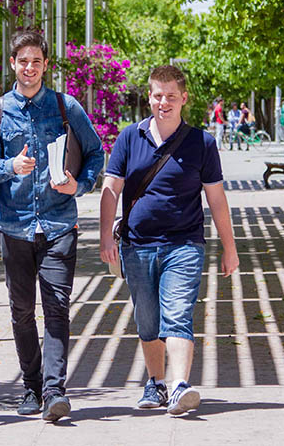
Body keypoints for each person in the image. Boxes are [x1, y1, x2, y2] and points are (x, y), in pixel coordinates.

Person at [0, 30, 104, 422]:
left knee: (57, 307)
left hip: (59, 224)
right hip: (14, 227)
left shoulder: (66, 107)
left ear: (46, 65)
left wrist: (79, 185)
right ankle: (31, 385)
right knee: (20, 310)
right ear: (12, 64)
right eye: (22, 61)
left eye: (36, 61)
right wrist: (10, 166)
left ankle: (54, 391)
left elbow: (97, 153)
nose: (29, 68)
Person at [98, 65, 239, 416]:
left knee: (177, 315)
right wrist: (105, 237)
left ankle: (179, 386)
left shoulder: (201, 143)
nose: (164, 102)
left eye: (171, 96)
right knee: (147, 320)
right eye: (158, 96)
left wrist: (230, 247)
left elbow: (216, 199)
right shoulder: (129, 138)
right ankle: (156, 382)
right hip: (137, 245)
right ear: (149, 97)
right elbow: (110, 189)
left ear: (184, 98)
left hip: (184, 244)